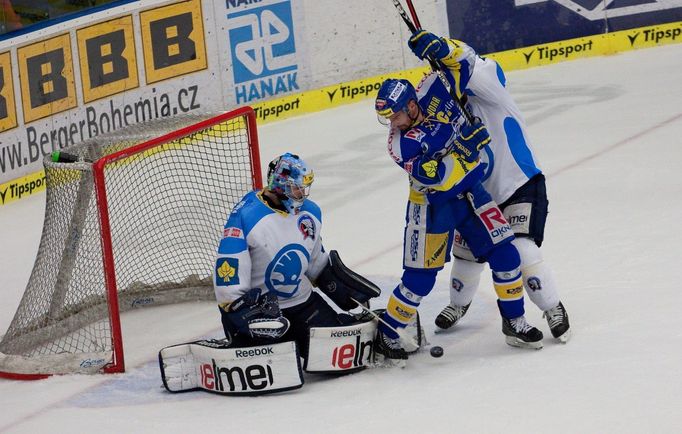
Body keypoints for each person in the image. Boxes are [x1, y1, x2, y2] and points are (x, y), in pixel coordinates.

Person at [405, 30, 571, 343]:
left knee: (522, 250)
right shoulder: (446, 120)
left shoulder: (489, 89)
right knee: (466, 255)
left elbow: (475, 62)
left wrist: (443, 47)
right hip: (479, 196)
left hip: (520, 183)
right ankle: (458, 304)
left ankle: (552, 306)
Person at [374, 75, 544, 363]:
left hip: (471, 193)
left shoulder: (432, 87)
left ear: (412, 105)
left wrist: (441, 51)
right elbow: (439, 178)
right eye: (387, 118)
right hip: (432, 207)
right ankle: (388, 333)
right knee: (419, 280)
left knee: (506, 254)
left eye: (396, 115)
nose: (392, 124)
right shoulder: (401, 145)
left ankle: (514, 322)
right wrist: (465, 151)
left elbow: (463, 68)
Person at [213, 152, 380, 363]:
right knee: (272, 362)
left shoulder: (310, 213)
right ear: (280, 185)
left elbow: (313, 261)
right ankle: (242, 341)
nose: (302, 193)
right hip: (263, 312)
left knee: (341, 353)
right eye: (296, 187)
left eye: (304, 187)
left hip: (303, 304)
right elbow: (228, 276)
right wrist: (243, 313)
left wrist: (336, 284)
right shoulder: (245, 217)